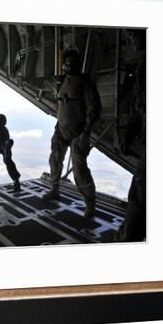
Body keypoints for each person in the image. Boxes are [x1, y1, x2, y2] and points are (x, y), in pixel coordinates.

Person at [42, 48, 102, 217]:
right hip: (61, 129)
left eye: (73, 63)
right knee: (55, 160)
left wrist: (86, 133)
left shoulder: (85, 84)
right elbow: (60, 105)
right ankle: (54, 189)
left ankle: (90, 203)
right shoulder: (61, 82)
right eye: (68, 63)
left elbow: (93, 108)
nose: (70, 66)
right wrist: (59, 124)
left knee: (80, 170)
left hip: (79, 132)